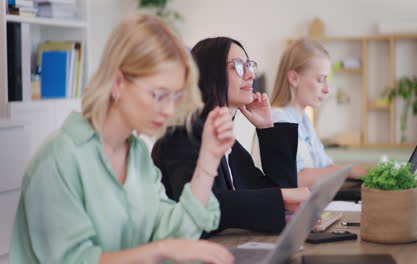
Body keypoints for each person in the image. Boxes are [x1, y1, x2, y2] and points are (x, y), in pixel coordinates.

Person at [9, 14, 234, 264]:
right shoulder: (58, 161)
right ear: (118, 83)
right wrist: (160, 249)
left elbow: (177, 234)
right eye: (159, 95)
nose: (170, 110)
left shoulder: (136, 155)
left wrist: (209, 157)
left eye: (176, 97)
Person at [152, 37, 310, 236]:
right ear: (208, 74)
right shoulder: (183, 136)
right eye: (238, 66)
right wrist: (280, 197)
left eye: (249, 66)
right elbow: (206, 207)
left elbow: (284, 198)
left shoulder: (228, 144)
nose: (250, 75)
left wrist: (267, 128)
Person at [269, 38, 368, 187]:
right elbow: (295, 179)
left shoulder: (304, 121)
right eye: (320, 80)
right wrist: (349, 170)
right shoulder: (278, 119)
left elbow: (325, 166)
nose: (327, 89)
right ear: (294, 78)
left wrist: (368, 170)